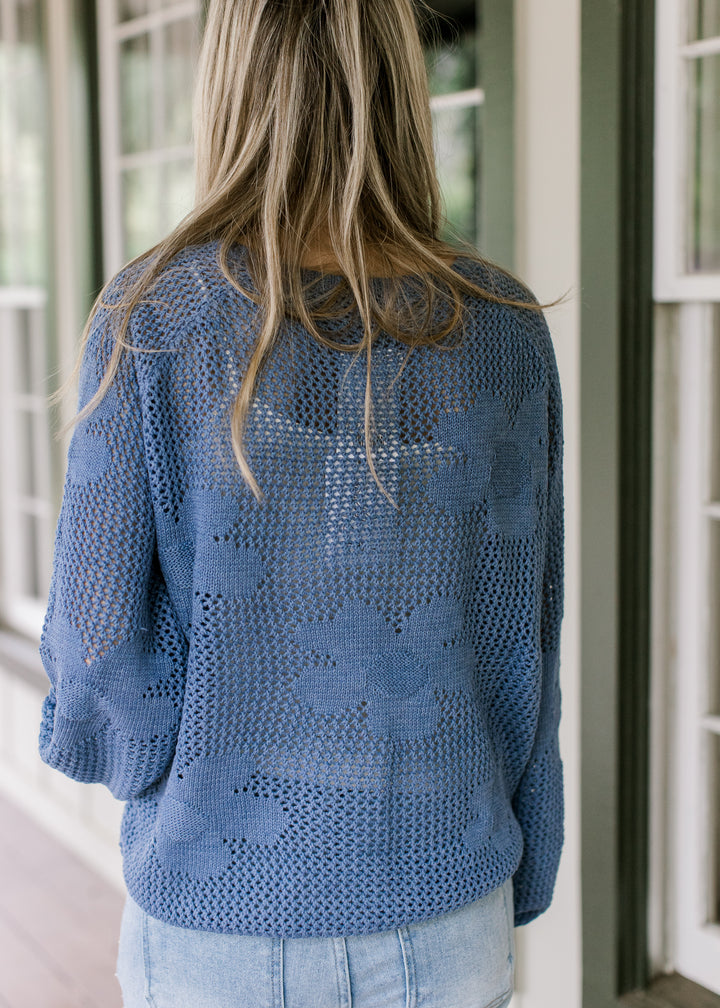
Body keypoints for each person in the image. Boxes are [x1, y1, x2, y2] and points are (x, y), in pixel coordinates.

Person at [37, 0, 565, 1005]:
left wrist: (168, 766)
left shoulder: (156, 316)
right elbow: (521, 638)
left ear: (229, 83)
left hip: (218, 905)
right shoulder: (501, 327)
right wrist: (524, 861)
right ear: (403, 86)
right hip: (446, 893)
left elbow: (99, 657)